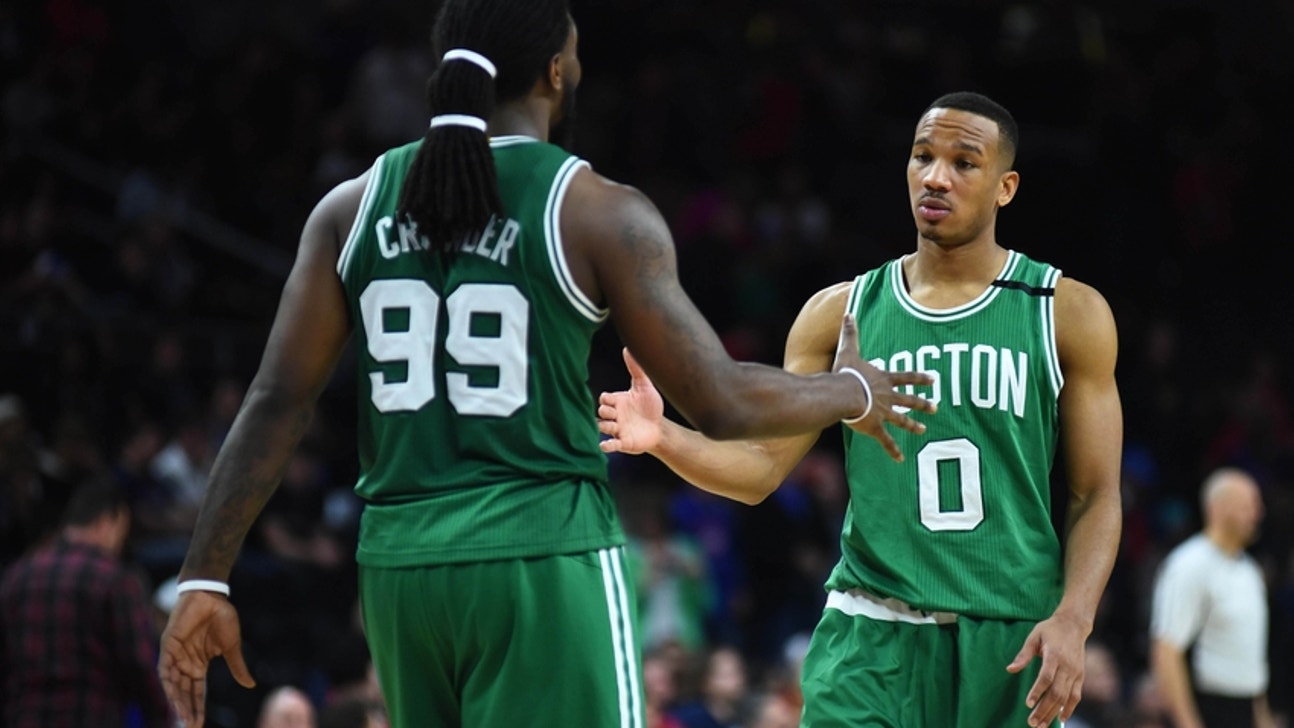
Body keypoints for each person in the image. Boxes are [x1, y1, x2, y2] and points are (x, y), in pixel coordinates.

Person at [155, 2, 937, 727]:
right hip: (537, 556)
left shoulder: (350, 207)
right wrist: (851, 390)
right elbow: (722, 399)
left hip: (399, 568)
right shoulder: (593, 209)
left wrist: (204, 577)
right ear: (556, 71)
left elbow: (277, 398)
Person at [598, 91, 1123, 727]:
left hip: (1008, 637)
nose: (935, 176)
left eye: (964, 162)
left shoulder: (1065, 312)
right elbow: (761, 469)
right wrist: (661, 437)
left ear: (1005, 187)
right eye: (922, 156)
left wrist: (1075, 617)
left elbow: (1095, 495)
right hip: (871, 634)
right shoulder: (839, 313)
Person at [0, 481, 171, 728]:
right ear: (108, 521)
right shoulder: (114, 580)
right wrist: (161, 719)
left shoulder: (16, 577)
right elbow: (138, 665)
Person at [1149, 467, 1277, 728]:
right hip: (1206, 707)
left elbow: (1250, 666)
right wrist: (1188, 723)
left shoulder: (1250, 571)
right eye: (1249, 504)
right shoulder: (1189, 564)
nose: (1258, 512)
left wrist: (1263, 720)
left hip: (1243, 709)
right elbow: (1166, 651)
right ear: (1219, 508)